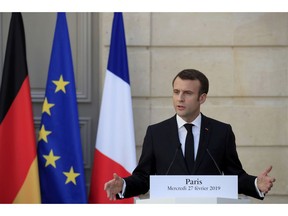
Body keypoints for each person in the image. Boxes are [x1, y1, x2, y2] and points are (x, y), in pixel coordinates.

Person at [104, 69, 276, 201]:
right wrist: (124, 185)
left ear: (202, 98)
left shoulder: (221, 132)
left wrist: (256, 184)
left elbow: (234, 176)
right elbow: (144, 178)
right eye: (176, 91)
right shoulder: (156, 133)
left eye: (187, 93)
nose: (180, 98)